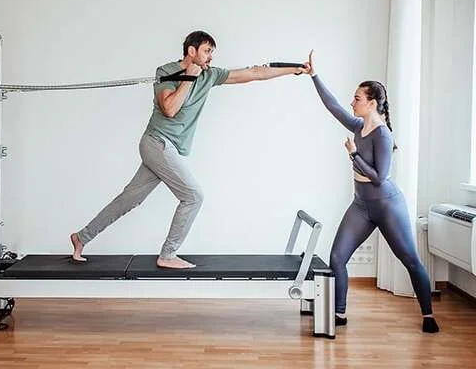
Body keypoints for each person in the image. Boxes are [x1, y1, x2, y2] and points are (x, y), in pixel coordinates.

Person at [70, 30, 309, 269]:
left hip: (167, 148)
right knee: (193, 196)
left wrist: (294, 69)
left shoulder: (210, 75)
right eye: (206, 51)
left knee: (129, 199)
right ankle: (168, 254)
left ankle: (82, 237)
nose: (210, 58)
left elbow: (255, 72)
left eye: (212, 53)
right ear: (191, 51)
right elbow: (170, 109)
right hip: (157, 142)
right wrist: (187, 78)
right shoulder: (166, 72)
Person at [303, 51, 439, 333]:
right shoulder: (358, 125)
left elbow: (379, 178)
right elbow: (333, 107)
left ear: (372, 103)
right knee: (337, 258)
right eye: (353, 98)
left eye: (357, 98)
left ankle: (428, 315)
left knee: (410, 260)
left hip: (387, 205)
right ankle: (339, 313)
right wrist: (314, 75)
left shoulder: (382, 135)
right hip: (362, 205)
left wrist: (354, 155)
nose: (352, 102)